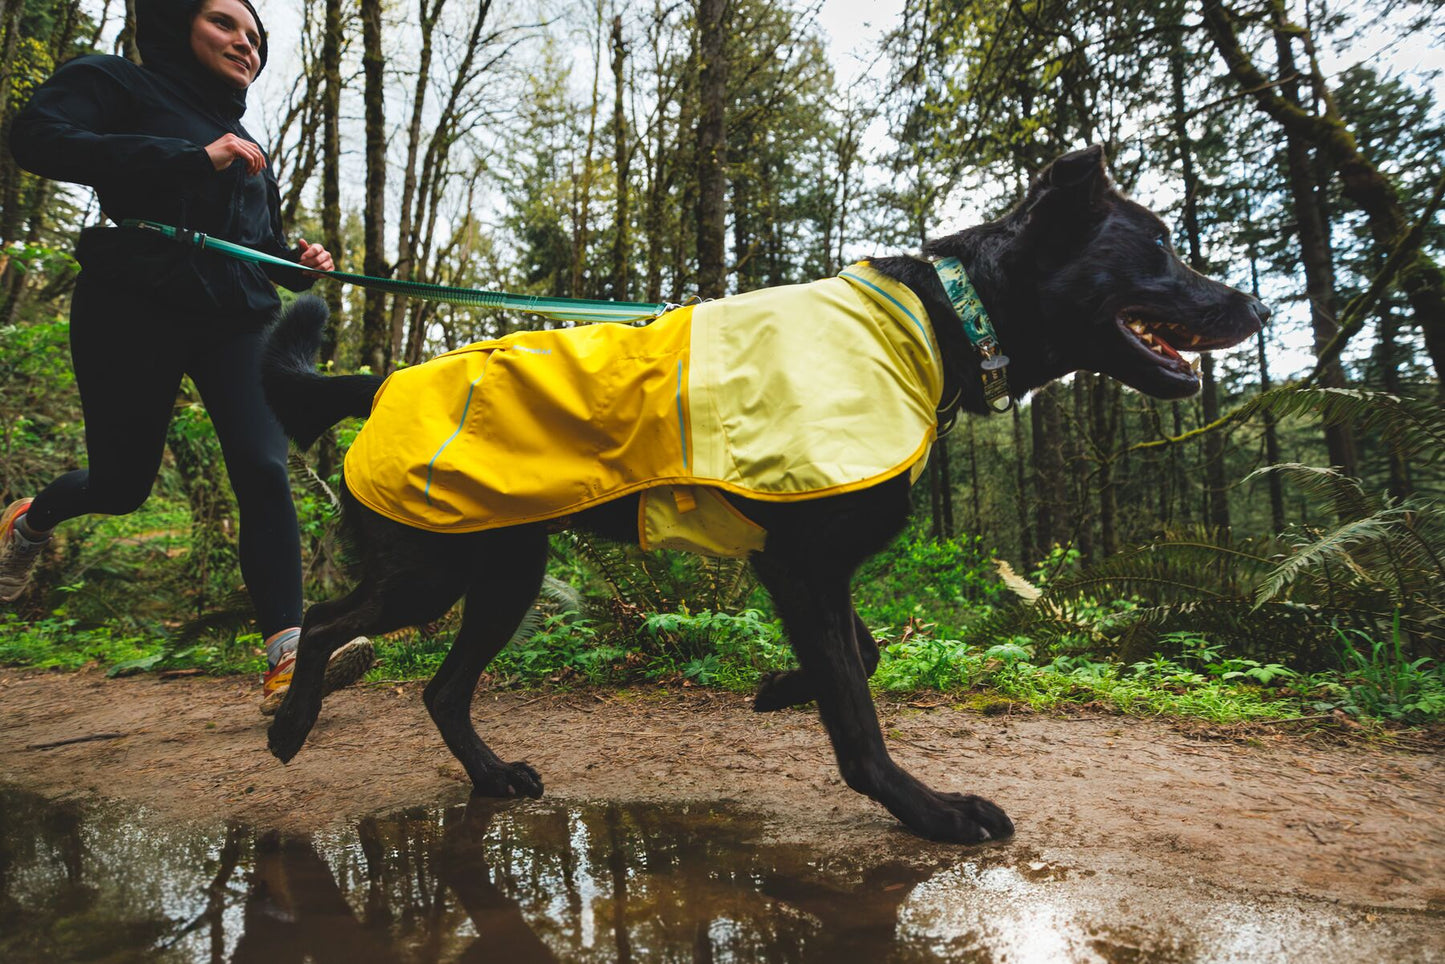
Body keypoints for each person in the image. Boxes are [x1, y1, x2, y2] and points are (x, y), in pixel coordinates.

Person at [2, 0, 372, 714]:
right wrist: (192, 158)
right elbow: (36, 138)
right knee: (122, 485)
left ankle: (289, 657)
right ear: (180, 26)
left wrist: (297, 264)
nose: (245, 44)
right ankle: (29, 520)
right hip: (131, 300)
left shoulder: (247, 143)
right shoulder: (119, 83)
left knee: (264, 468)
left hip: (236, 317)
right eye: (225, 24)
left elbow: (256, 246)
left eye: (255, 37)